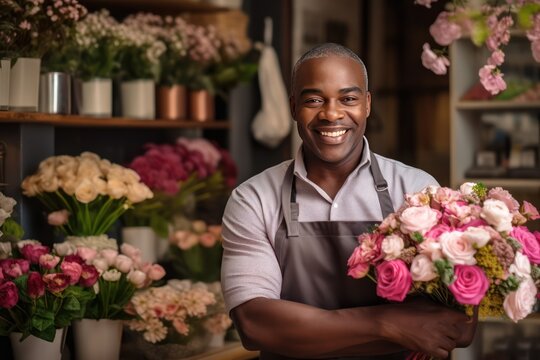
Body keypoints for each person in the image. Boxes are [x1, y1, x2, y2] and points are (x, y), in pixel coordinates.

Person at [220, 43, 477, 360]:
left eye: (348, 99)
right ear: (293, 107)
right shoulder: (253, 198)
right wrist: (388, 324)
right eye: (314, 100)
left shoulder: (416, 189)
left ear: (367, 104)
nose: (331, 113)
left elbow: (454, 328)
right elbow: (255, 325)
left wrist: (299, 334)